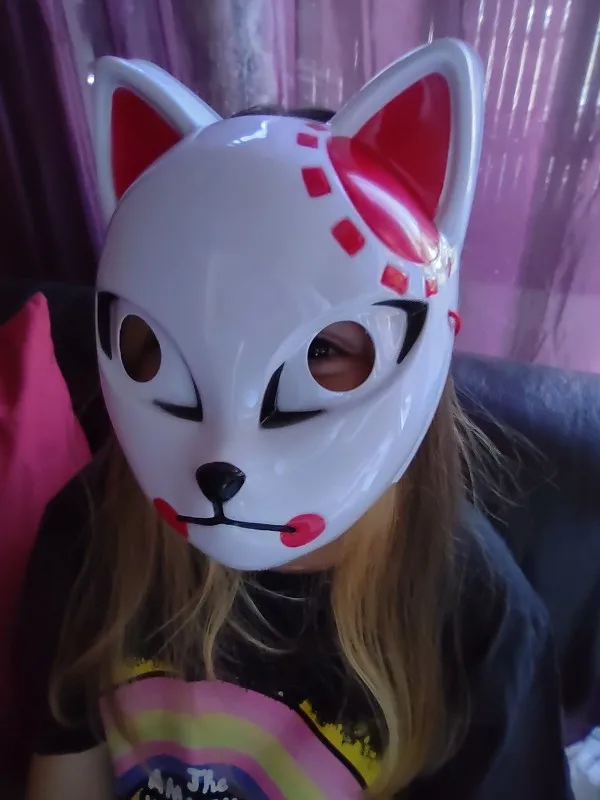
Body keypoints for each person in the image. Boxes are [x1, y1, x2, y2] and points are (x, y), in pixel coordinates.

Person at [19, 40, 574, 800]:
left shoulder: (479, 626)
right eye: (178, 348)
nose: (227, 447)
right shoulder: (88, 540)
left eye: (322, 352)